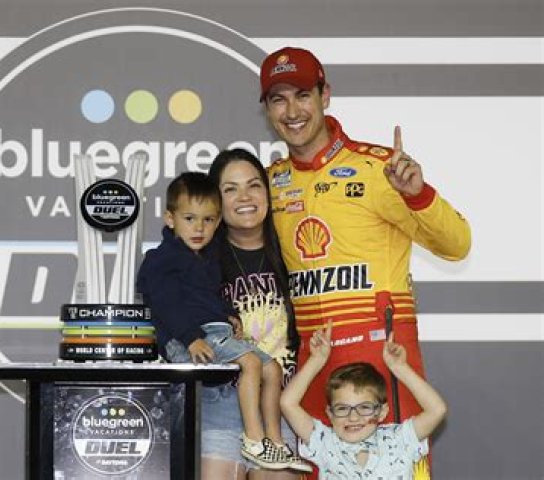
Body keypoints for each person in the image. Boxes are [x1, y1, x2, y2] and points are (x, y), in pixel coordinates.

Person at [259, 46, 471, 475]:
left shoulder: (379, 169)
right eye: (278, 99)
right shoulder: (271, 182)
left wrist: (418, 195)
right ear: (266, 108)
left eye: (303, 95)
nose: (292, 111)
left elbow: (457, 245)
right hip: (314, 359)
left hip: (382, 354)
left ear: (325, 95)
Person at [136, 171, 302, 471]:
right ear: (170, 218)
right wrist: (190, 337)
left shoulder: (206, 257)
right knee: (251, 363)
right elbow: (165, 304)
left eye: (209, 220)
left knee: (272, 369)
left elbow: (207, 298)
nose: (199, 228)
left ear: (218, 221)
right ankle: (254, 439)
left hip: (215, 332)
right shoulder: (161, 258)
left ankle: (275, 442)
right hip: (188, 340)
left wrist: (229, 314)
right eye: (189, 218)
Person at [201, 149, 311, 479]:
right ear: (215, 201)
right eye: (230, 189)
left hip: (279, 414)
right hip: (220, 407)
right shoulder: (200, 260)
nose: (244, 197)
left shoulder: (295, 251)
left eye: (253, 185)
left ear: (267, 192)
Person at [281, 320, 447, 479]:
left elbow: (437, 410)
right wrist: (316, 360)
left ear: (382, 412)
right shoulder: (325, 442)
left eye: (365, 407)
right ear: (330, 413)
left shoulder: (400, 439)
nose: (353, 417)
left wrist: (401, 368)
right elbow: (287, 403)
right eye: (342, 408)